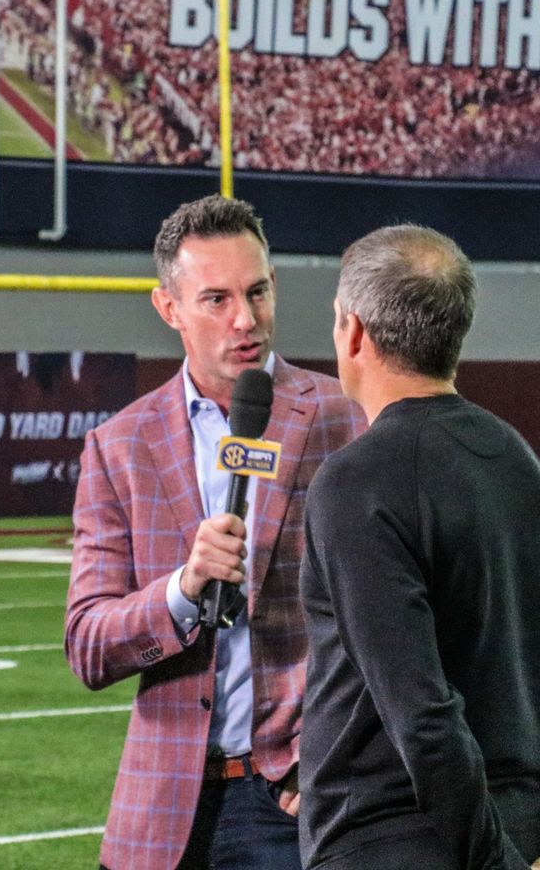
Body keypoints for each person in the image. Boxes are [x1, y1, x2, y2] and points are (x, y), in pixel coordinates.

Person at [300, 225, 540, 870]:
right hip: (526, 833)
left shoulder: (357, 482)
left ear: (354, 331)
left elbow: (422, 715)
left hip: (399, 838)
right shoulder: (522, 465)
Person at [66, 195, 366, 870]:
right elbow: (88, 644)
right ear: (169, 308)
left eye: (257, 292)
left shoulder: (344, 420)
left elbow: (393, 621)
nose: (246, 319)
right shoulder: (120, 447)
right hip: (161, 809)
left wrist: (325, 758)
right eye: (216, 299)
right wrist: (182, 587)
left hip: (293, 804)